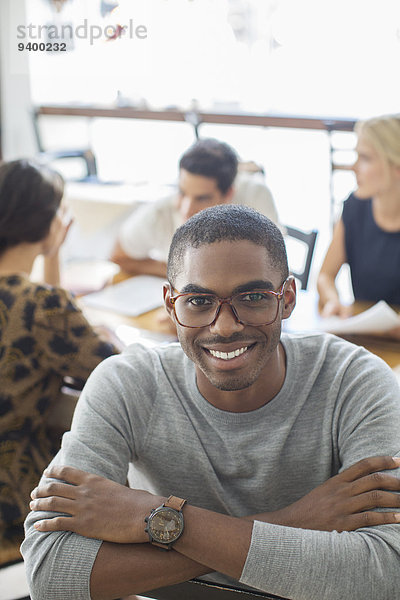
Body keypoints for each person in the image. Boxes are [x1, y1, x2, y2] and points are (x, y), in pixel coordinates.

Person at [22, 205, 400, 600]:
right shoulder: (126, 383)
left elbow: (387, 575)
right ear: (171, 305)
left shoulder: (355, 381)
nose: (224, 326)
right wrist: (291, 522)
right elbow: (51, 573)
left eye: (253, 297)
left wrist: (157, 519)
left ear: (287, 299)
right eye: (198, 301)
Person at [0, 159, 120, 551]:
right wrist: (111, 335)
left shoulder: (39, 305)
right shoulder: (43, 307)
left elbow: (41, 320)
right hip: (14, 494)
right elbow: (116, 370)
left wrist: (50, 256)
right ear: (50, 223)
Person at [111, 138, 280, 277]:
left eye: (201, 198)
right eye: (182, 192)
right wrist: (181, 276)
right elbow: (119, 256)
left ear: (228, 194)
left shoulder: (255, 195)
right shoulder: (160, 212)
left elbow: (274, 265)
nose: (186, 209)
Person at [317, 114, 400, 319]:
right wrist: (333, 300)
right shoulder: (354, 207)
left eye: (365, 158)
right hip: (366, 338)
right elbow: (325, 276)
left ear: (396, 167)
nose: (353, 168)